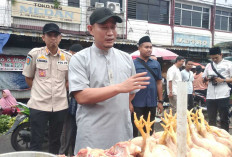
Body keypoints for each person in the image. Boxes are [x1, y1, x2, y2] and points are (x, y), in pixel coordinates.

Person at [68, 7, 150, 154]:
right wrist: (118, 88)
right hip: (92, 138)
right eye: (104, 27)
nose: (110, 33)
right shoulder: (79, 59)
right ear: (91, 29)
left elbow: (131, 93)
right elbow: (81, 96)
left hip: (122, 136)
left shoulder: (126, 58)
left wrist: (122, 92)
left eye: (113, 27)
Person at [22, 23, 72, 154]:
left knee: (56, 142)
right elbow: (28, 78)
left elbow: (68, 81)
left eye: (56, 35)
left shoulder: (67, 58)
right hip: (38, 105)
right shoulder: (35, 54)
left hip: (60, 106)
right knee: (36, 141)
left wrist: (59, 91)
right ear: (43, 37)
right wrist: (39, 91)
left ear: (60, 38)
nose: (53, 38)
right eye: (50, 35)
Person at [131, 36, 163, 137]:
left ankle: (148, 148)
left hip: (152, 103)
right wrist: (129, 102)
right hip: (137, 102)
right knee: (135, 128)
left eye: (150, 47)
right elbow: (129, 84)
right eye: (146, 47)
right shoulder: (132, 63)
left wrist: (160, 101)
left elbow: (159, 82)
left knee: (149, 128)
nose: (149, 49)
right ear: (139, 48)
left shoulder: (156, 64)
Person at [59, 44, 83, 156]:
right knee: (66, 134)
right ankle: (63, 153)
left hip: (80, 107)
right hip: (69, 107)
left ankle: (74, 153)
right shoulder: (67, 65)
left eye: (73, 54)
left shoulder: (83, 65)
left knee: (76, 135)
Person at [203, 47, 232, 132]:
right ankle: (213, 137)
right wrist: (207, 79)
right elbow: (203, 78)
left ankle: (225, 137)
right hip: (210, 95)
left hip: (223, 94)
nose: (214, 59)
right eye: (212, 58)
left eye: (216, 57)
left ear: (221, 54)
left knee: (224, 119)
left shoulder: (229, 64)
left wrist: (222, 80)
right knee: (211, 119)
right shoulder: (208, 65)